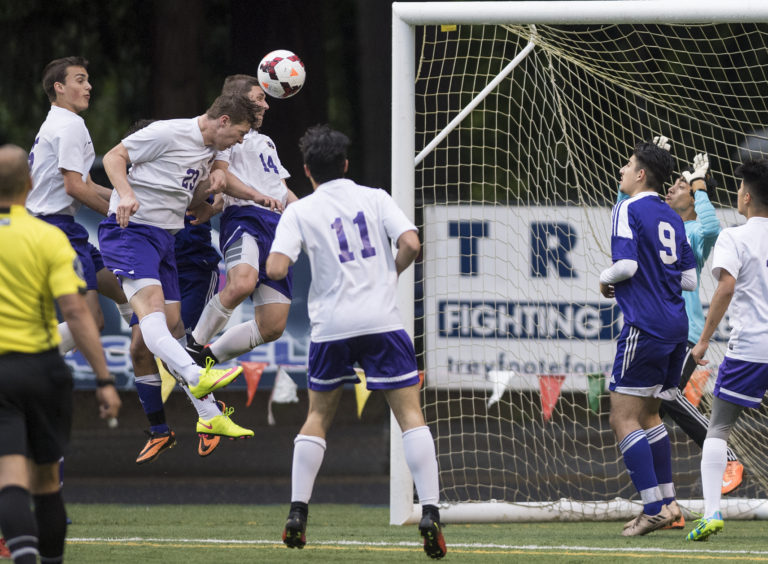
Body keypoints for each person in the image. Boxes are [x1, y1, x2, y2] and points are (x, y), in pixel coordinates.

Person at [266, 125, 446, 559]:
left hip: (331, 327)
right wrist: (391, 273)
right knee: (409, 414)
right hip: (382, 321)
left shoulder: (300, 211)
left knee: (318, 416)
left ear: (307, 171)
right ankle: (432, 512)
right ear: (346, 164)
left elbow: (274, 268)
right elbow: (411, 243)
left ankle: (297, 513)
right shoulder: (376, 196)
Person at [98, 95, 257, 463]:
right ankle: (191, 374)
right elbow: (112, 157)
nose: (240, 141)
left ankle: (211, 417)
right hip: (131, 232)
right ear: (223, 120)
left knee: (171, 328)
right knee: (152, 316)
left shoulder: (209, 149)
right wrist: (125, 193)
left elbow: (192, 193)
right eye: (240, 132)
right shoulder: (168, 132)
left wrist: (211, 194)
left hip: (164, 240)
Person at [0, 145, 120, 564]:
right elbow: (75, 312)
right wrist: (104, 378)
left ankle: (24, 557)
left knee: (10, 480)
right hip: (42, 368)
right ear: (30, 185)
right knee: (47, 481)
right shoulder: (48, 237)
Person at [600, 141, 697, 536]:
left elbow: (625, 264)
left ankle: (653, 506)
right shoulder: (672, 215)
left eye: (627, 164)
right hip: (677, 330)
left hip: (646, 327)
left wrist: (604, 279)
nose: (621, 169)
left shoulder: (627, 207)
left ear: (641, 175)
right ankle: (670, 502)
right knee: (650, 415)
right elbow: (689, 279)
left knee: (622, 417)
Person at [186, 74, 297, 368]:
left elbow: (280, 189)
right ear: (241, 102)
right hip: (245, 219)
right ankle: (192, 347)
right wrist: (249, 198)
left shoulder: (266, 141)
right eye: (260, 98)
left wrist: (307, 214)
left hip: (278, 228)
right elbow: (220, 177)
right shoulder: (225, 136)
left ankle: (206, 360)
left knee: (272, 326)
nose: (267, 105)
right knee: (241, 284)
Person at [685, 159, 768, 541]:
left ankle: (712, 513)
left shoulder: (733, 237)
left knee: (718, 427)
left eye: (738, 189)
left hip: (751, 348)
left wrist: (702, 341)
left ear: (747, 196)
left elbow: (726, 288)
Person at [25, 57, 133, 351]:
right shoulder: (70, 126)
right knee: (90, 322)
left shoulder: (59, 122)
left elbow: (84, 183)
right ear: (59, 87)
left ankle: (151, 352)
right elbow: (73, 187)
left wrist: (126, 200)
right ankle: (24, 359)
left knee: (123, 290)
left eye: (87, 80)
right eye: (80, 80)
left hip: (57, 227)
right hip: (55, 229)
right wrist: (118, 214)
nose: (89, 87)